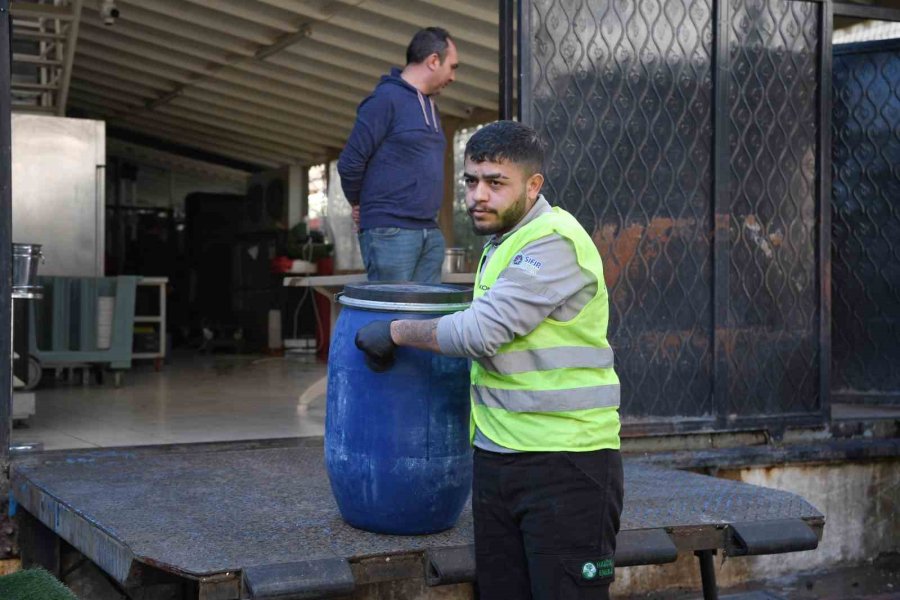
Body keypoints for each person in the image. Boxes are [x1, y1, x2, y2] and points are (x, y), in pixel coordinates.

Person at [355, 120, 624, 600]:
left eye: (496, 183)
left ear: (533, 184)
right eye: (471, 180)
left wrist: (397, 331)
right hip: (500, 459)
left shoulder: (553, 241)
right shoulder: (503, 243)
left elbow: (481, 332)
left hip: (567, 464)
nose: (479, 195)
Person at [337, 27, 459, 283]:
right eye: (453, 66)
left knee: (425, 319)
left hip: (429, 230)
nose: (454, 77)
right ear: (434, 61)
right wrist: (358, 203)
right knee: (391, 317)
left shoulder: (430, 105)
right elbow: (350, 162)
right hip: (391, 231)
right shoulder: (385, 100)